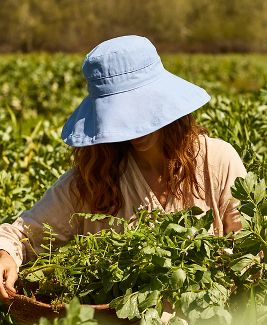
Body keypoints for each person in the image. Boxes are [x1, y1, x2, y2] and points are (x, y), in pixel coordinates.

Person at [0, 35, 247, 301]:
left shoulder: (216, 161)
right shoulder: (94, 177)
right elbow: (21, 233)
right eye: (118, 115)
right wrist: (6, 255)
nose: (132, 127)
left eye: (139, 109)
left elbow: (248, 248)